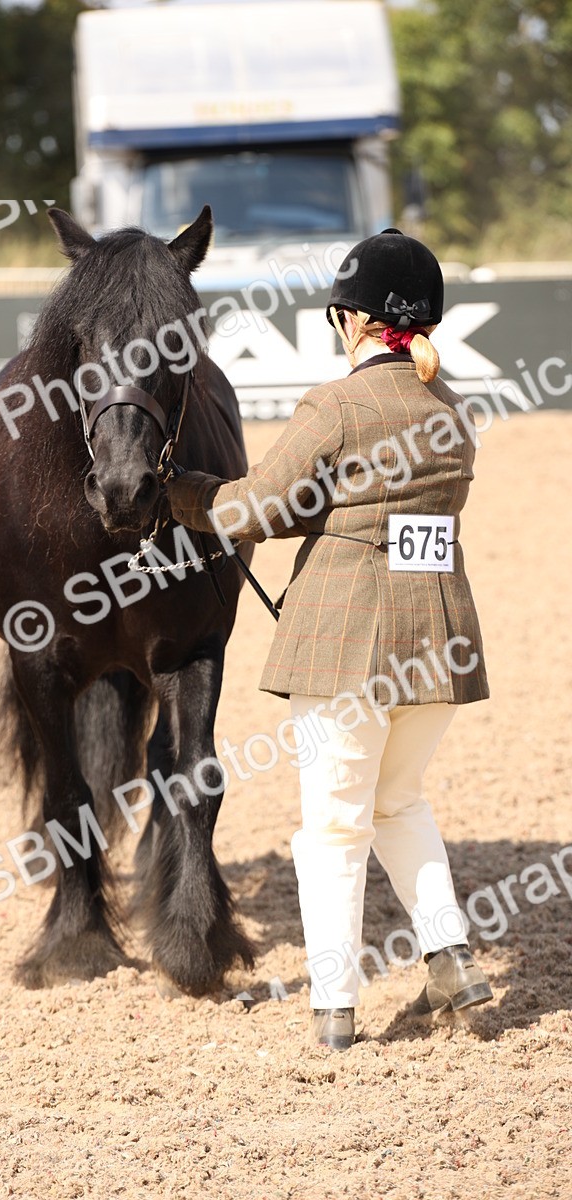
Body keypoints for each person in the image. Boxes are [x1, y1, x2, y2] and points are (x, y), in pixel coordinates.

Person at [165, 228, 493, 1051]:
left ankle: (335, 1008)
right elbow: (380, 508)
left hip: (349, 647)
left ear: (350, 320)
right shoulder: (452, 411)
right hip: (441, 638)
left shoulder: (336, 404)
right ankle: (451, 958)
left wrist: (179, 492)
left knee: (332, 826)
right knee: (399, 802)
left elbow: (253, 509)